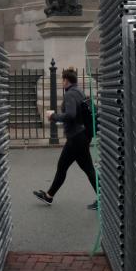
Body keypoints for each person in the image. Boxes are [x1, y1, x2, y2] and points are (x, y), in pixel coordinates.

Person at [33, 67, 98, 209]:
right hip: (82, 135)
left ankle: (49, 196)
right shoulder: (80, 91)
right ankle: (49, 195)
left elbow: (70, 115)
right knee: (86, 169)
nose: (61, 82)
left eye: (62, 80)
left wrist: (53, 116)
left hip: (75, 138)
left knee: (63, 167)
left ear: (66, 80)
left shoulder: (70, 95)